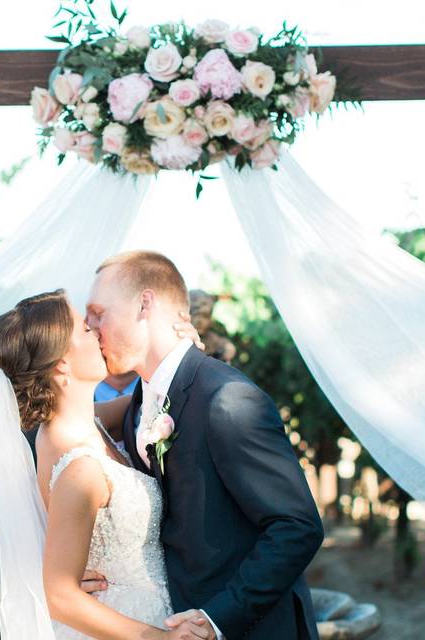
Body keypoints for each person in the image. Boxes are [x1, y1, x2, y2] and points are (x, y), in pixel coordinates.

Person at [85, 251, 324, 639]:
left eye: (98, 313)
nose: (89, 326)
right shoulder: (137, 408)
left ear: (145, 304)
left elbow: (297, 527)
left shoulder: (227, 400)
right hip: (170, 620)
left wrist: (216, 619)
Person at [0, 290, 212, 640]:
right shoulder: (80, 468)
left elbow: (154, 397)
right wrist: (161, 638)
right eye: (85, 330)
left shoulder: (83, 423)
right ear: (62, 364)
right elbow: (59, 596)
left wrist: (177, 354)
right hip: (125, 625)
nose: (97, 330)